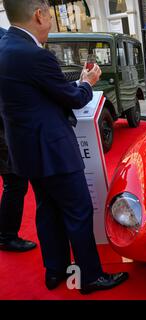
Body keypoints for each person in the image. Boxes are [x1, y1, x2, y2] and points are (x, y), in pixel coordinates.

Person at [0, 0, 128, 293]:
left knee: (47, 210)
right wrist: (87, 82)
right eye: (50, 15)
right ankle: (90, 277)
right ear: (38, 14)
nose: (52, 21)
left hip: (25, 150)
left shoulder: (5, 46)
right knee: (78, 210)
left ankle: (55, 270)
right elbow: (73, 98)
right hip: (53, 150)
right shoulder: (33, 55)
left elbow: (38, 95)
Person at [0, 26, 36, 253]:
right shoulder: (6, 42)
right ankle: (6, 235)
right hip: (4, 132)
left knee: (14, 183)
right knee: (15, 184)